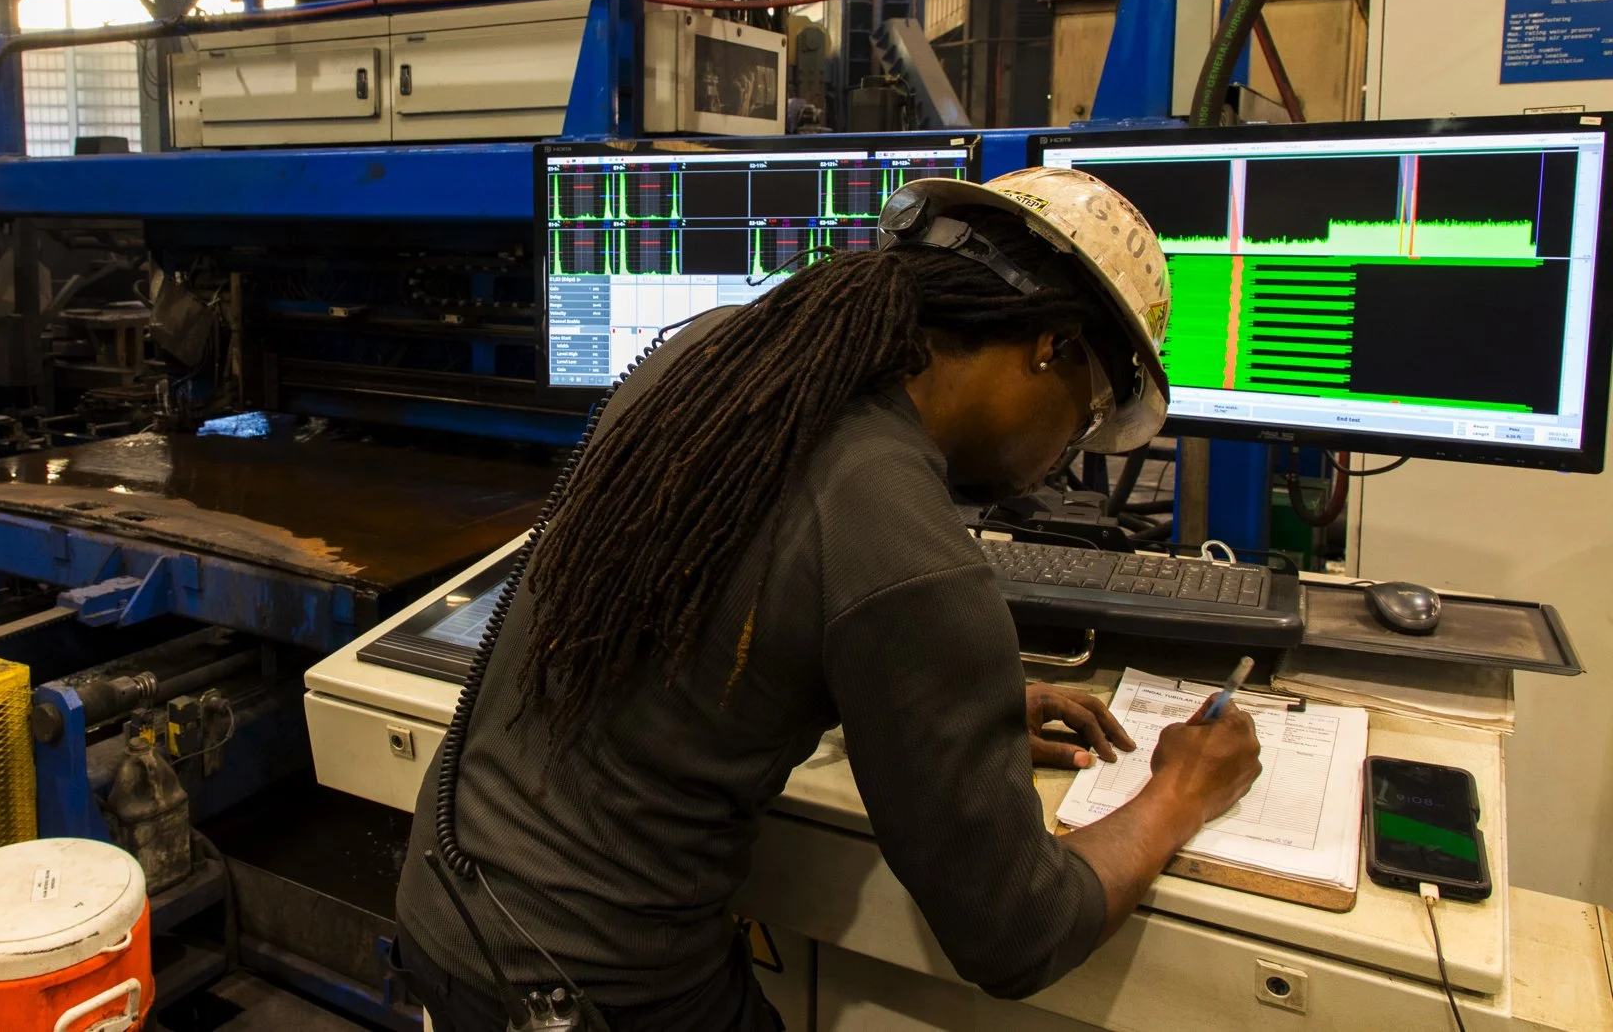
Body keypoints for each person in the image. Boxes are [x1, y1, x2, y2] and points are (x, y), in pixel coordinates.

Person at [394, 169, 1263, 1030]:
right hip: (588, 994)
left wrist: (919, 704)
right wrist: (1179, 792)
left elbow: (725, 615)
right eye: (1088, 414)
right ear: (1053, 345)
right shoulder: (910, 544)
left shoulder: (720, 358)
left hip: (446, 908)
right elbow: (1018, 929)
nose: (1069, 456)